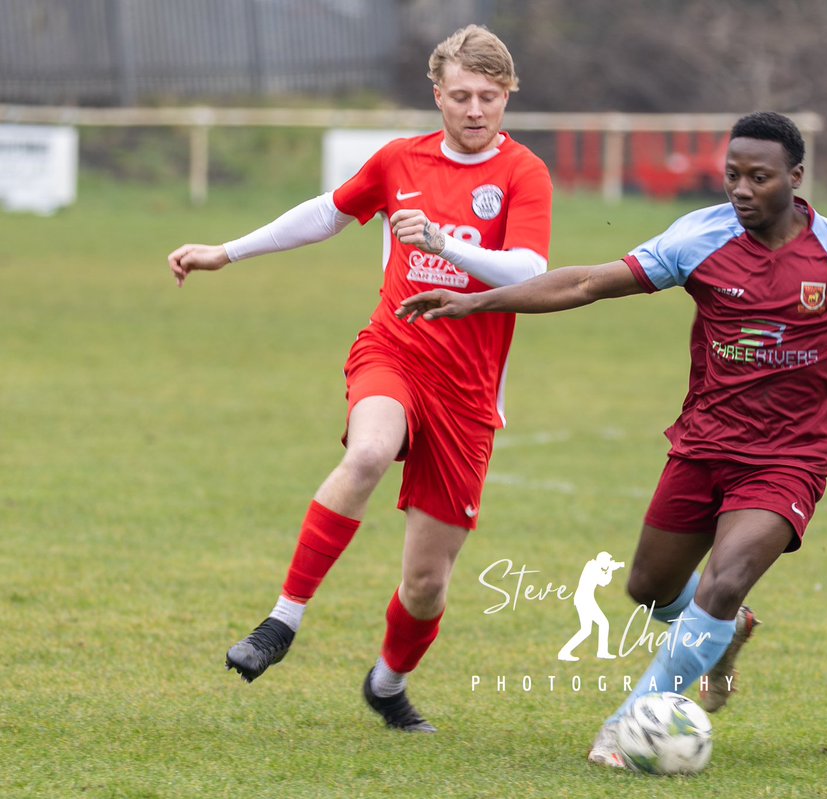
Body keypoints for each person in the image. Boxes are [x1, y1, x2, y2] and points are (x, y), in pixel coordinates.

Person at [397, 111, 827, 765]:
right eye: (732, 175)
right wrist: (479, 301)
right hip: (703, 444)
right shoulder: (701, 238)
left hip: (788, 457)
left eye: (759, 177)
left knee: (725, 580)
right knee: (649, 588)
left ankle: (629, 723)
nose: (741, 189)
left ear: (796, 178)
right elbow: (586, 282)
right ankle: (725, 634)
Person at [166, 25, 553, 733]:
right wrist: (229, 251)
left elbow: (530, 272)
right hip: (395, 349)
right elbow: (327, 212)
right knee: (369, 450)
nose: (474, 110)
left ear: (508, 97)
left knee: (427, 582)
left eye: (489, 97)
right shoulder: (400, 160)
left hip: (468, 391)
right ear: (437, 95)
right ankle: (282, 620)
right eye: (461, 96)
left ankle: (387, 682)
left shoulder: (523, 172)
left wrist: (441, 244)